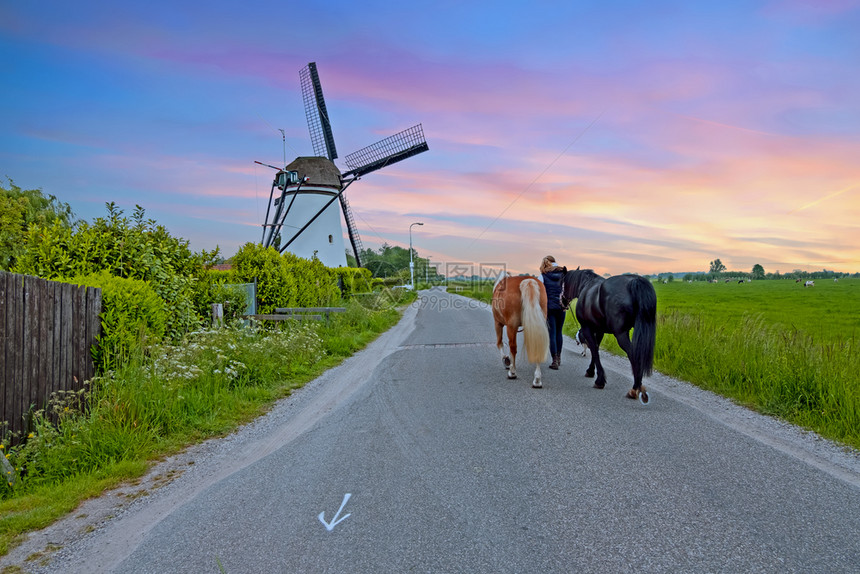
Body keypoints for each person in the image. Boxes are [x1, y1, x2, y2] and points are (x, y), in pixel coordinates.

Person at [539, 255, 567, 370]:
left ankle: (554, 360)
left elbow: (539, 293)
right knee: (559, 332)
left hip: (549, 308)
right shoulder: (564, 274)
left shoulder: (542, 276)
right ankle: (559, 358)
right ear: (554, 262)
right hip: (562, 307)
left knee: (552, 334)